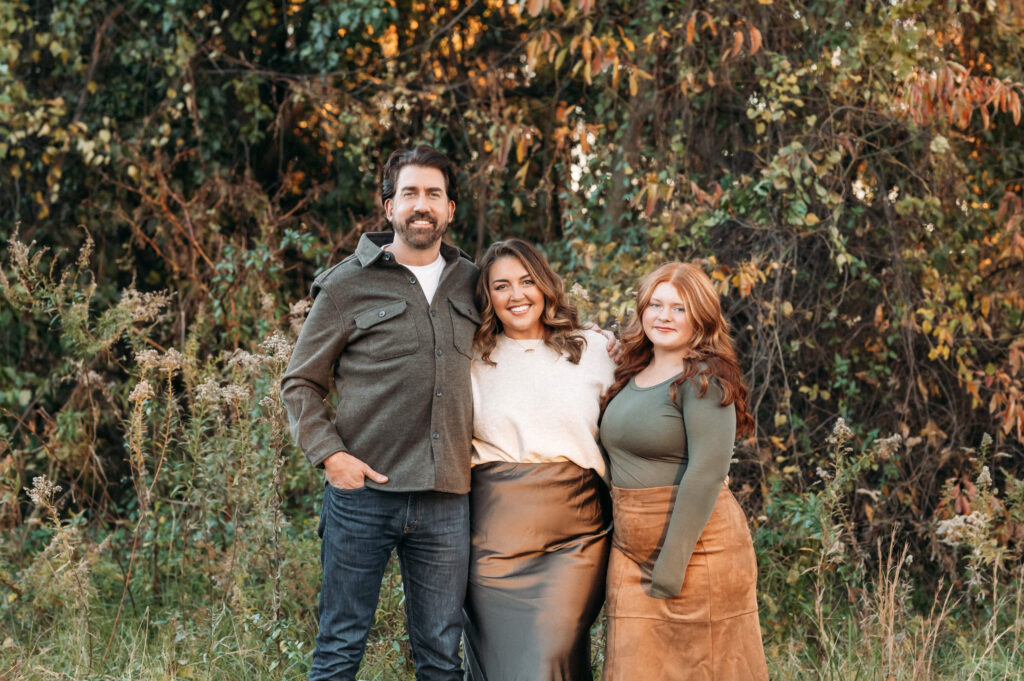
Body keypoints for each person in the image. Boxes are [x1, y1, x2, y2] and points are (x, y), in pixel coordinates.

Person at [280, 144, 480, 681]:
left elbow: (531, 326)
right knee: (341, 646)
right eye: (409, 193)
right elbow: (299, 382)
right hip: (362, 495)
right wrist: (330, 458)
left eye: (433, 194)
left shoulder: (474, 283)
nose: (422, 204)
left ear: (450, 209)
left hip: (447, 499)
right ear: (388, 206)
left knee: (442, 654)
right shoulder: (347, 284)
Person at [598, 262, 769, 681]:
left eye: (679, 308)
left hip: (696, 552)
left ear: (701, 317)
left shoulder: (705, 377)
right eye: (655, 305)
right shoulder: (630, 372)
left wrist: (670, 567)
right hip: (630, 549)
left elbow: (707, 473)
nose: (664, 317)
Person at [462, 238, 616, 681]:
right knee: (500, 666)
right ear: (486, 296)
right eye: (501, 285)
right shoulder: (469, 357)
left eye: (527, 281)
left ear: (546, 286)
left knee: (553, 657)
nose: (517, 295)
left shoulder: (595, 349)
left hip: (575, 539)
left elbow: (637, 419)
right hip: (492, 542)